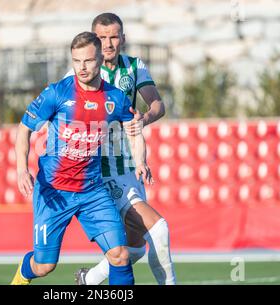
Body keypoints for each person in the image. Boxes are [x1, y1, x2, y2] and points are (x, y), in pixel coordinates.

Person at [11, 32, 152, 285]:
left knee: (119, 255)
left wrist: (140, 160)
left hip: (92, 191)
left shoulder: (115, 98)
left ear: (100, 58)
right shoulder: (57, 93)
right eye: (76, 61)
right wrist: (22, 169)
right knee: (44, 266)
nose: (81, 67)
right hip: (54, 191)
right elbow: (24, 129)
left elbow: (134, 129)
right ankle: (21, 277)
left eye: (87, 61)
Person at [71, 13, 176, 285]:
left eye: (113, 36)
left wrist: (145, 118)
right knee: (159, 229)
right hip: (102, 172)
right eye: (101, 38)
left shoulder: (133, 66)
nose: (108, 43)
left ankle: (89, 280)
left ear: (123, 39)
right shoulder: (79, 74)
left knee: (136, 248)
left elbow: (157, 105)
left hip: (128, 165)